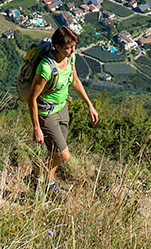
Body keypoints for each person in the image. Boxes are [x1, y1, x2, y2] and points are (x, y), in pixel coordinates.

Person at [26, 26, 99, 197]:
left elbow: (74, 81)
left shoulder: (70, 59)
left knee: (54, 153)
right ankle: (36, 174)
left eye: (73, 47)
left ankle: (47, 185)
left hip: (62, 109)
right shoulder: (45, 68)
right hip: (47, 113)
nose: (72, 50)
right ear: (57, 47)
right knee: (63, 155)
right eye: (68, 48)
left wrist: (89, 104)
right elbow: (32, 98)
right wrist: (36, 127)